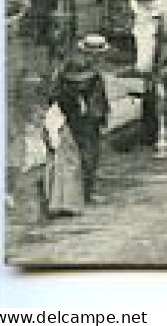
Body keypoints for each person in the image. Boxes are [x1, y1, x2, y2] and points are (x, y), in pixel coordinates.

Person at [48, 34, 110, 206]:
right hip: (84, 117)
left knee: (86, 154)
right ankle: (85, 194)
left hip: (86, 115)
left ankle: (83, 193)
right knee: (87, 154)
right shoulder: (83, 68)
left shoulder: (80, 65)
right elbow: (80, 90)